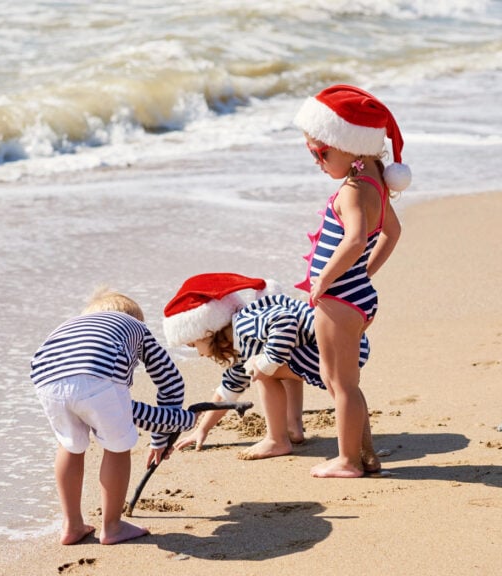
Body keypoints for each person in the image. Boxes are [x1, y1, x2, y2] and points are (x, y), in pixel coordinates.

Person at [292, 84, 407, 478]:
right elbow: (392, 232)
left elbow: (355, 239)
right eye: (312, 153)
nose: (317, 161)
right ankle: (366, 454)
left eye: (322, 153)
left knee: (340, 384)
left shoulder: (355, 190)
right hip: (354, 294)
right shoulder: (376, 180)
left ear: (350, 146)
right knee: (342, 382)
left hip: (339, 299)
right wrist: (364, 273)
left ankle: (347, 460)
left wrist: (325, 279)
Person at [30, 288, 195, 545]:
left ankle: (71, 524)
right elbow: (171, 382)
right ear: (137, 319)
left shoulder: (73, 327)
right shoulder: (136, 327)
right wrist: (163, 437)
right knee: (117, 447)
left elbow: (127, 409)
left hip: (46, 378)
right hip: (98, 374)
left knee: (69, 445)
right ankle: (112, 526)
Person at [161, 273, 377, 468]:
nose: (198, 353)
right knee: (268, 362)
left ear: (208, 331)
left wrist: (267, 362)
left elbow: (285, 321)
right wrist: (202, 429)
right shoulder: (243, 344)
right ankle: (293, 428)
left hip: (336, 346)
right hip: (343, 344)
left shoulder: (244, 324)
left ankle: (277, 440)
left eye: (194, 345)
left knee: (263, 367)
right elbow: (227, 391)